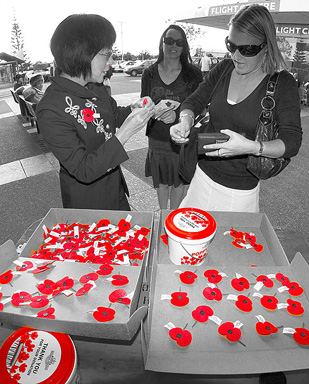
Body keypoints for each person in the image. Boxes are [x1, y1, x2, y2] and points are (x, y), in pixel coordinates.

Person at [170, 4, 302, 213]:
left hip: (238, 194)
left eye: (247, 49)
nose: (236, 56)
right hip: (201, 179)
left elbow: (292, 141)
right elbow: (193, 102)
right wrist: (184, 120)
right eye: (231, 45)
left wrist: (251, 147)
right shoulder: (224, 69)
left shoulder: (282, 83)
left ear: (266, 45)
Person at [36, 14, 154, 210]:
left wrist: (136, 108)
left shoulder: (94, 87)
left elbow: (114, 114)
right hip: (88, 203)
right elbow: (83, 169)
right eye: (107, 54)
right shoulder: (51, 109)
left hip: (115, 188)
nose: (111, 61)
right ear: (82, 53)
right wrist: (125, 132)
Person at [141, 24, 203, 210]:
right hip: (157, 137)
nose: (173, 45)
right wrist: (154, 111)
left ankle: (173, 217)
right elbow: (143, 103)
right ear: (162, 42)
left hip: (182, 139)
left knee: (178, 181)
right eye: (169, 40)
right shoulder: (149, 73)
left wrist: (177, 116)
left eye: (179, 42)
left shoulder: (193, 74)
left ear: (184, 46)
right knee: (161, 181)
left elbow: (201, 108)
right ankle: (163, 214)